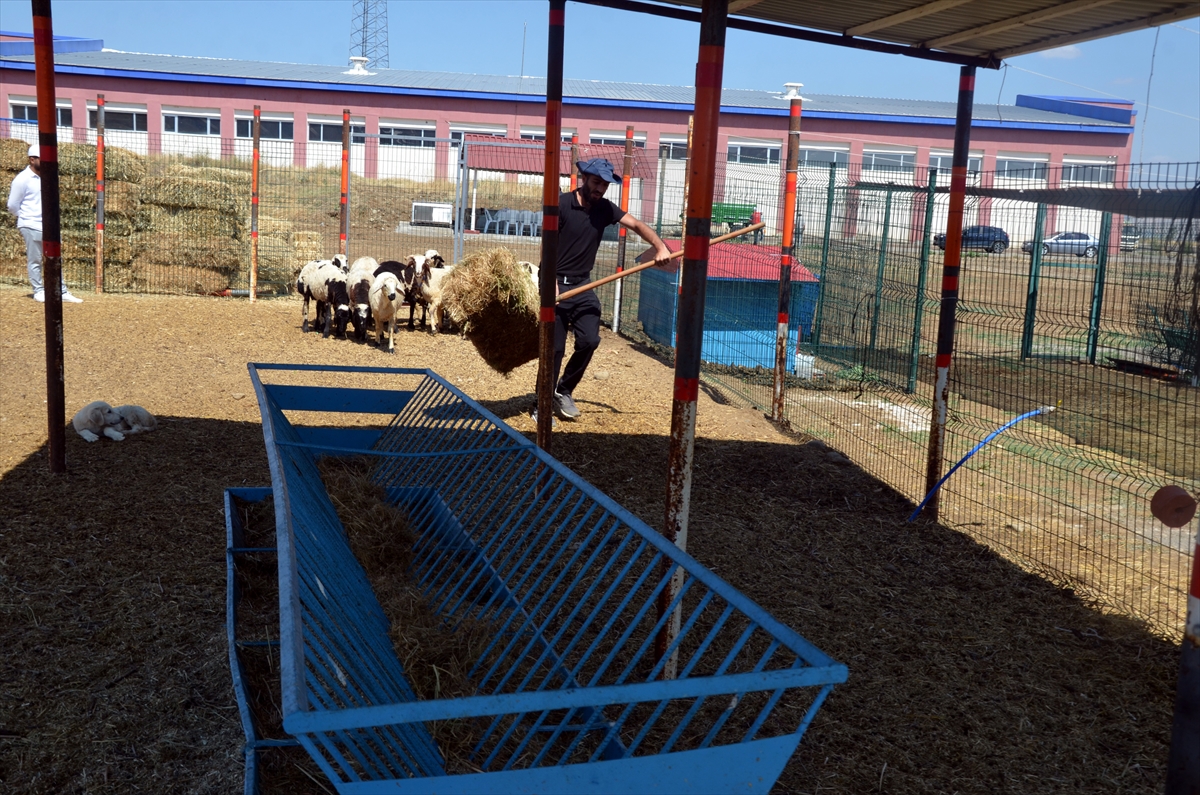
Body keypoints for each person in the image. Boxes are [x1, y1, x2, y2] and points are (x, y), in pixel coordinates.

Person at [542, 157, 671, 420]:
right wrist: (550, 284)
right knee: (554, 349)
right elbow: (547, 248)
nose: (600, 189)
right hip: (556, 283)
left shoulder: (605, 209)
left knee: (590, 340)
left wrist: (660, 247)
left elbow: (637, 225)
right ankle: (541, 403)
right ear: (584, 179)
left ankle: (563, 390)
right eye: (596, 182)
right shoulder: (561, 205)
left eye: (605, 185)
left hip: (583, 285)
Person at [6, 144, 82, 304]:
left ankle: (61, 291)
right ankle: (38, 290)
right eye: (42, 159)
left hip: (50, 225)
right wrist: (25, 217)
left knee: (55, 258)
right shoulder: (22, 179)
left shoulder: (49, 177)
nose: (47, 162)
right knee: (35, 259)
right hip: (31, 224)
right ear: (32, 159)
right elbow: (12, 205)